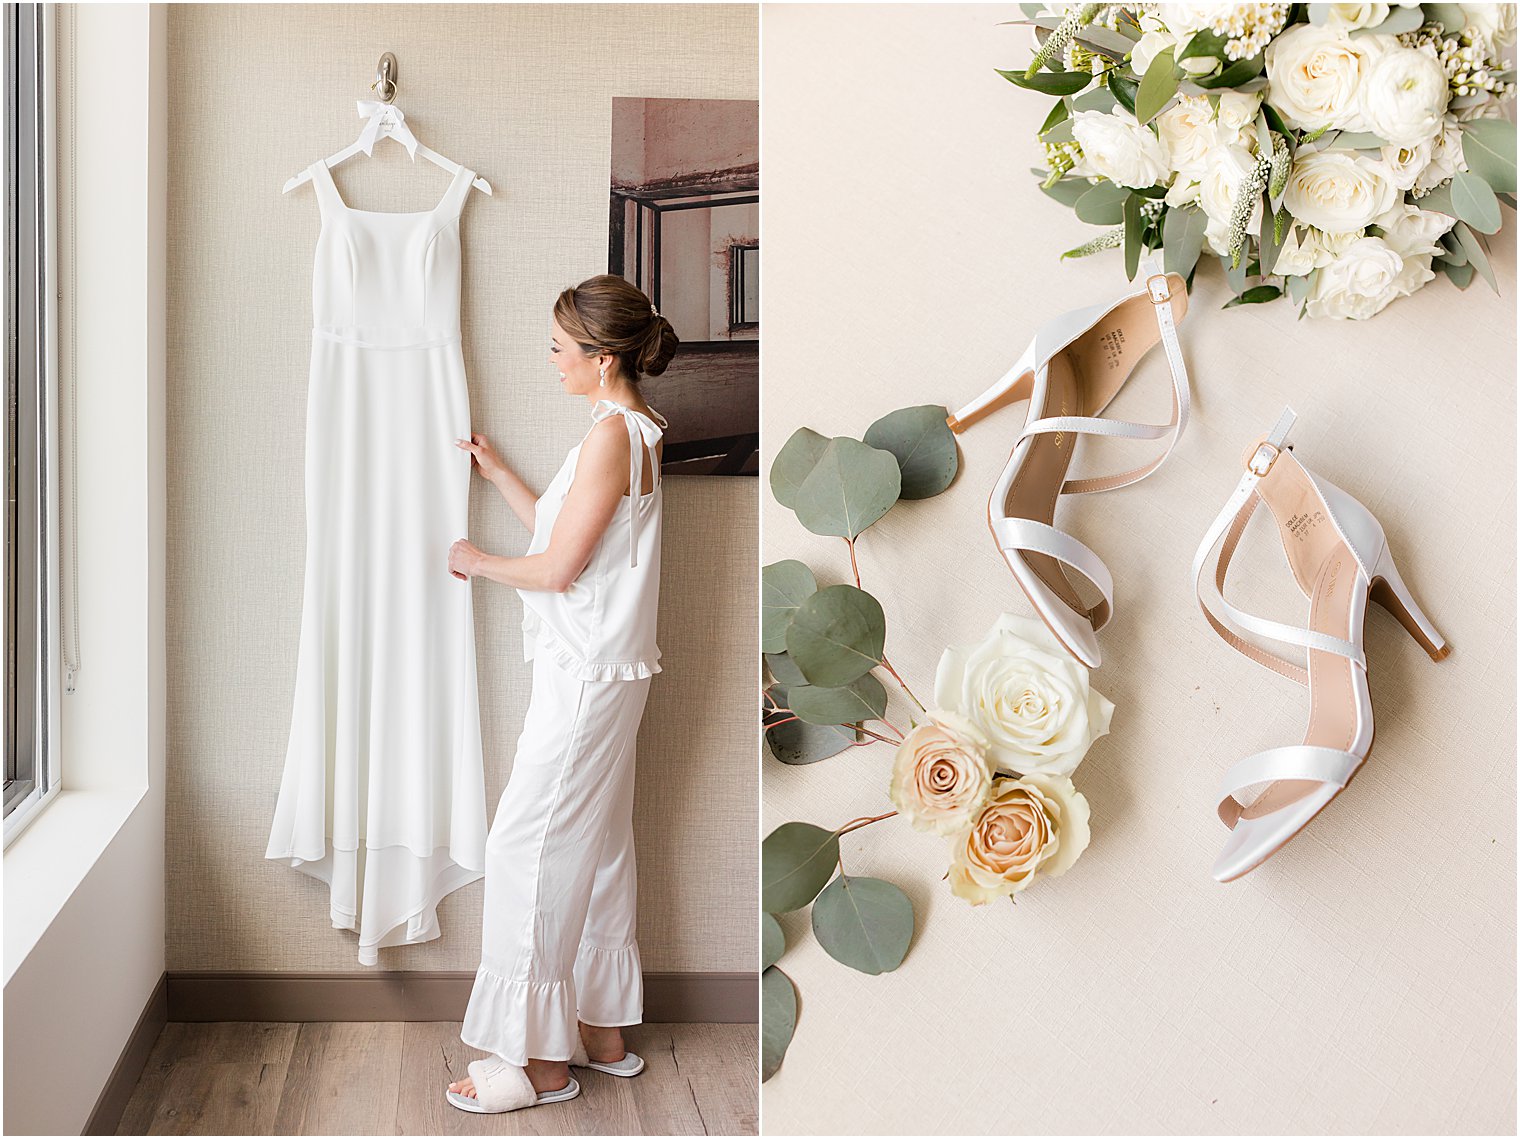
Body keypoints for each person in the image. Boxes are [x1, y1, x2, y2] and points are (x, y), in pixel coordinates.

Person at [443, 275, 677, 1113]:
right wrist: (502, 474)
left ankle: (535, 1060)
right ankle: (600, 1027)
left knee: (526, 847)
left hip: (583, 679)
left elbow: (557, 567)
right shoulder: (634, 429)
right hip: (609, 675)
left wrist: (476, 560)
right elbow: (568, 527)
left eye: (558, 347)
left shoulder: (616, 434)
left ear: (601, 357)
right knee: (598, 844)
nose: (551, 360)